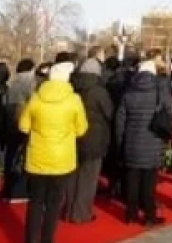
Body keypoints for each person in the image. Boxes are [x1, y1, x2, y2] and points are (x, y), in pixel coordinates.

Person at [19, 61, 88, 243]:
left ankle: (31, 239)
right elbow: (82, 129)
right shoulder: (74, 100)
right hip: (62, 159)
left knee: (35, 202)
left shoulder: (35, 98)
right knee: (53, 204)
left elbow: (23, 126)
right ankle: (47, 239)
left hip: (37, 157)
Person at [115, 59, 172, 226]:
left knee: (132, 179)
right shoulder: (159, 91)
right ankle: (149, 215)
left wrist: (120, 141)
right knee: (149, 181)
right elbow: (171, 110)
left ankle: (130, 214)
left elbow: (120, 121)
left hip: (132, 140)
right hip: (153, 140)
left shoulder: (129, 92)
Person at [67, 58, 112, 224]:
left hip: (73, 136)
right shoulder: (99, 91)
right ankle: (81, 213)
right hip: (94, 137)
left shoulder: (72, 87)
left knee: (72, 176)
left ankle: (69, 210)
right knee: (89, 178)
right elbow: (109, 112)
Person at [5, 59, 37, 202]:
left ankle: (9, 187)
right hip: (23, 122)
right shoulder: (29, 83)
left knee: (10, 155)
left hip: (10, 123)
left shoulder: (12, 82)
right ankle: (20, 190)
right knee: (22, 157)